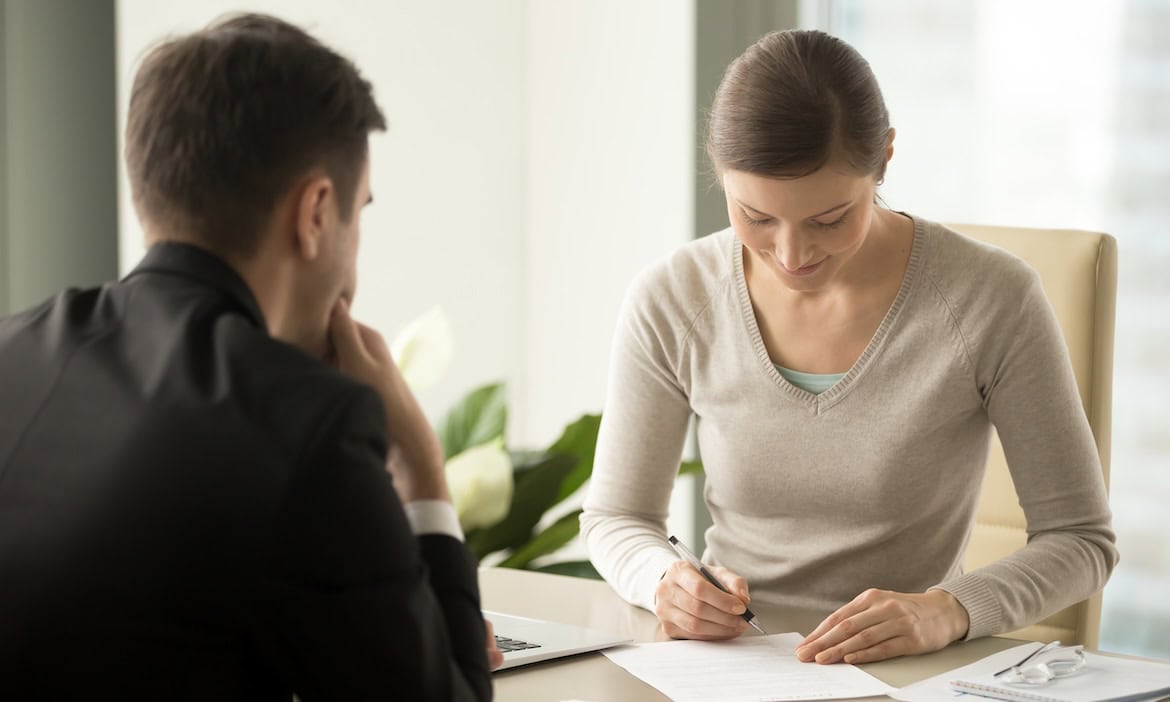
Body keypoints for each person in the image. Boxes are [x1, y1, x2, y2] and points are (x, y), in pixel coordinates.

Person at [0, 13, 499, 699]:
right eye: (359, 211)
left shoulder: (12, 349)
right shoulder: (305, 423)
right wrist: (421, 464)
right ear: (316, 212)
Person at [580, 29, 1118, 665]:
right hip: (730, 666)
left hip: (909, 670)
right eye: (756, 217)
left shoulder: (990, 298)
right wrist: (663, 582)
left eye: (829, 220)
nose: (791, 254)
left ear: (884, 159)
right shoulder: (674, 297)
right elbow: (616, 517)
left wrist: (947, 610)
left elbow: (1081, 540)